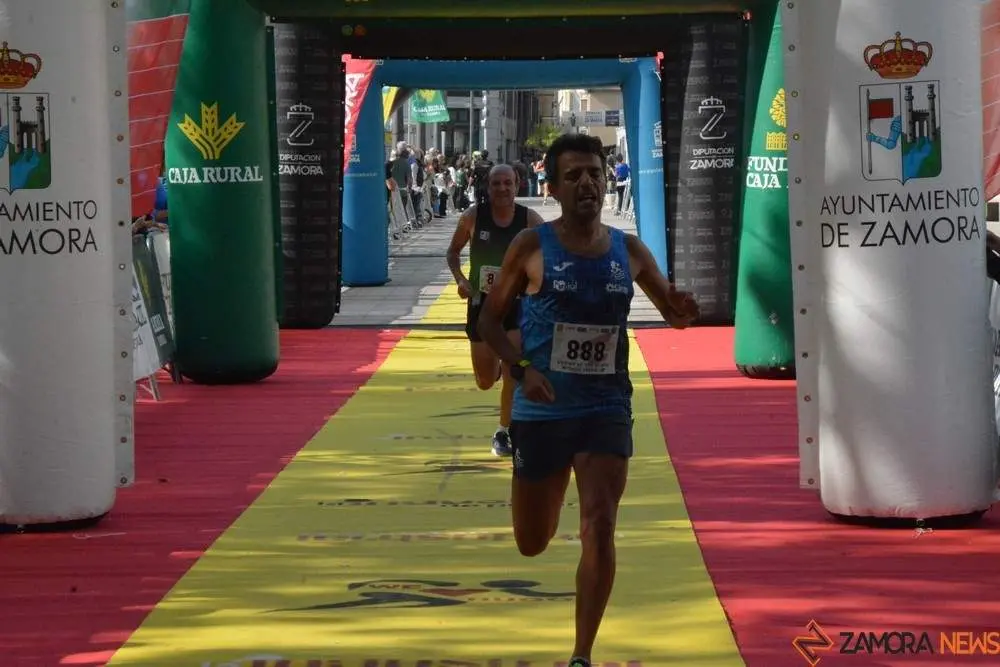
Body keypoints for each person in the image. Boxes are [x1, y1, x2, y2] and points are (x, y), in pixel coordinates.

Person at [476, 133, 700, 667]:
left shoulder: (629, 250)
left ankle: (582, 655)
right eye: (573, 175)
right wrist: (521, 369)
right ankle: (542, 496)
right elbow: (489, 320)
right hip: (542, 409)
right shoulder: (530, 247)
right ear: (551, 187)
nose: (587, 184)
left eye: (595, 174)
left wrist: (682, 308)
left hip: (605, 406)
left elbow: (673, 313)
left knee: (599, 524)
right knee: (532, 540)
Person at [446, 164, 545, 457]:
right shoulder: (473, 217)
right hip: (482, 304)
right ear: (488, 187)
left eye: (507, 183)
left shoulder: (529, 219)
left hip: (516, 305)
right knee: (485, 381)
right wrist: (461, 280)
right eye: (496, 183)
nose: (502, 188)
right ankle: (495, 369)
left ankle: (503, 432)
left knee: (514, 370)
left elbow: (548, 252)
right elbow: (453, 252)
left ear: (517, 185)